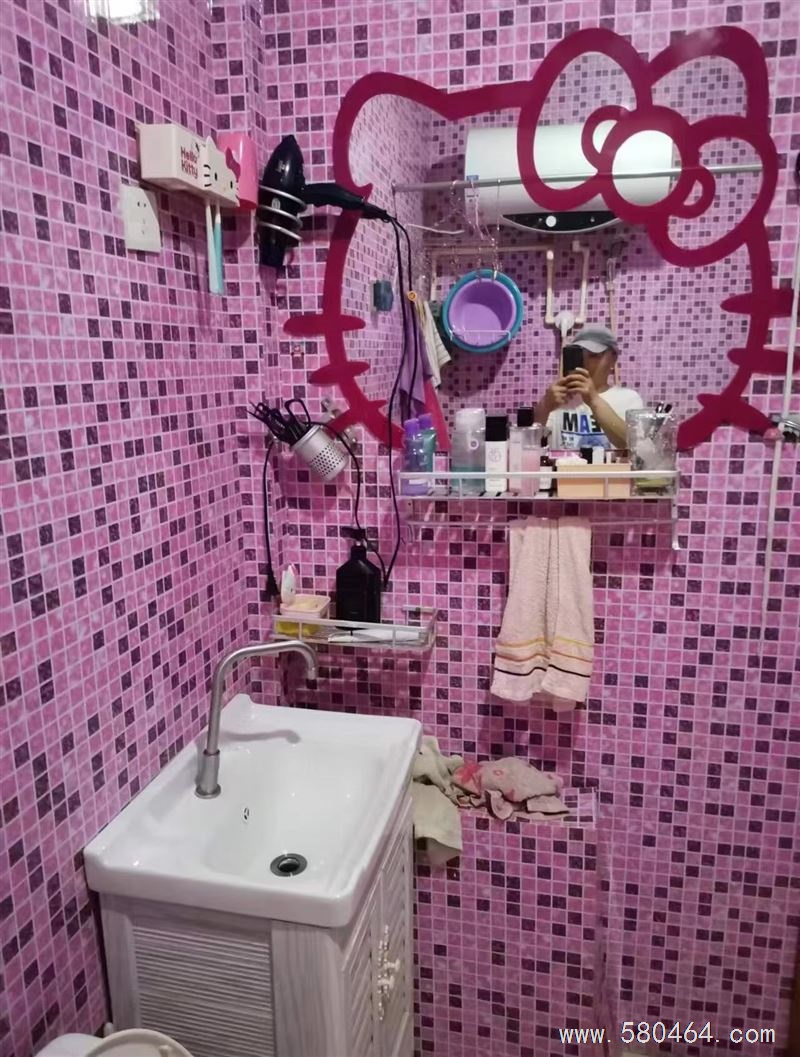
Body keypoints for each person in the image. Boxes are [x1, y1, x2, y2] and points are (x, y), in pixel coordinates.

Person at [534, 326, 643, 450]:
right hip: (564, 463)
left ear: (613, 359)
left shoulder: (628, 399)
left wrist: (593, 399)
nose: (585, 361)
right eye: (581, 354)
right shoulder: (559, 398)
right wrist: (545, 405)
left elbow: (634, 446)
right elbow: (530, 442)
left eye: (594, 355)